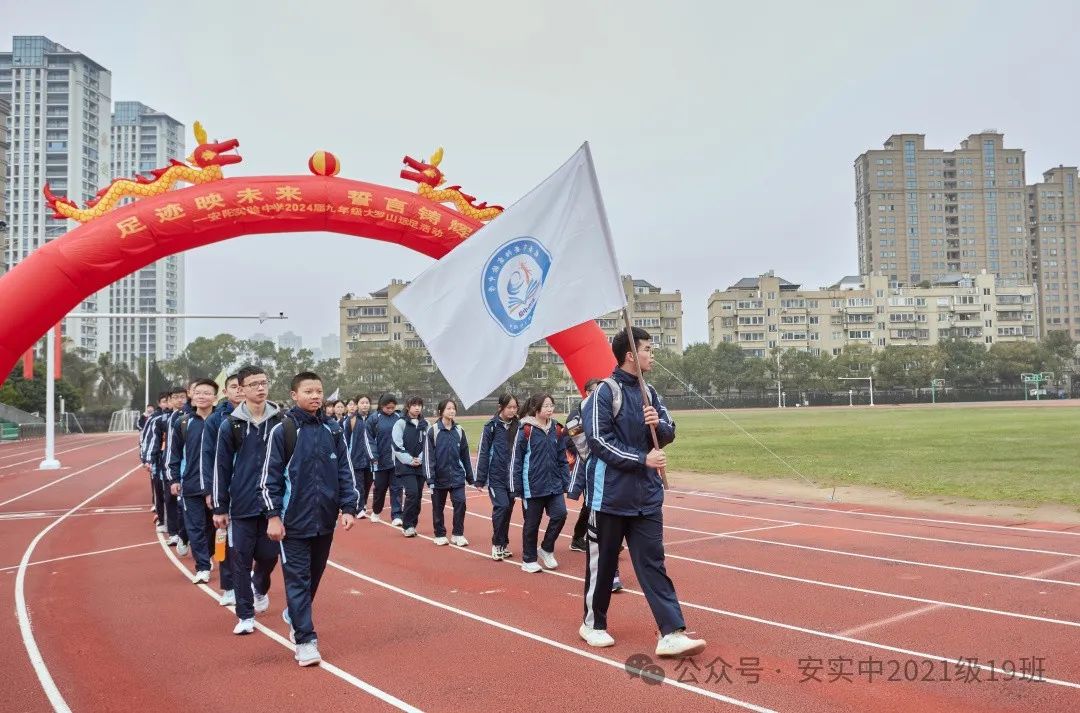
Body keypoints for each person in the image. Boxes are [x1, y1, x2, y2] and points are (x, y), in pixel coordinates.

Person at [578, 327, 705, 658]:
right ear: (631, 354)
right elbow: (598, 441)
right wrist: (642, 459)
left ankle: (671, 632)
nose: (653, 354)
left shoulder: (652, 394)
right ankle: (593, 624)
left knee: (653, 563)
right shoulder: (603, 394)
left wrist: (657, 426)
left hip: (646, 498)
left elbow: (668, 431)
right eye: (648, 349)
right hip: (610, 497)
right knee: (603, 564)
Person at [262, 371, 360, 667]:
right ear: (295, 395)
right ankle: (305, 640)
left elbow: (345, 470)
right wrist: (273, 517)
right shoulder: (284, 431)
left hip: (324, 520)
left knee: (314, 576)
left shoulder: (333, 431)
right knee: (298, 579)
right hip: (293, 523)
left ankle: (294, 614)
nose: (315, 396)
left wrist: (349, 507)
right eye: (308, 391)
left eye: (319, 391)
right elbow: (269, 479)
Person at [213, 365, 283, 635]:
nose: (260, 388)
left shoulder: (281, 420)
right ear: (241, 389)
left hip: (272, 504)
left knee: (268, 556)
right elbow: (221, 467)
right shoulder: (230, 425)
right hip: (240, 504)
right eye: (254, 384)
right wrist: (220, 506)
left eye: (263, 382)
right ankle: (245, 614)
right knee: (239, 559)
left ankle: (260, 586)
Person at [168, 378, 233, 594]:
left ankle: (213, 554)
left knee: (215, 528)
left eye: (207, 393)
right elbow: (174, 453)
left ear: (215, 397)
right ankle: (203, 566)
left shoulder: (223, 421)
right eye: (198, 393)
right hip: (192, 484)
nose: (202, 396)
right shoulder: (183, 423)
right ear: (192, 396)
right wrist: (174, 478)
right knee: (194, 527)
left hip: (217, 485)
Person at [567, 379, 624, 593]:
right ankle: (607, 575)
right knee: (600, 527)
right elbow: (583, 448)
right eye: (594, 390)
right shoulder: (577, 416)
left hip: (617, 477)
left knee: (616, 526)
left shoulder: (611, 409)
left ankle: (612, 572)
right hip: (594, 475)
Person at [511, 393, 570, 573]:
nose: (549, 409)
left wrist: (565, 481)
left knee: (560, 514)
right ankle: (528, 559)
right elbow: (517, 460)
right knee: (532, 524)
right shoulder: (526, 430)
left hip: (554, 484)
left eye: (551, 405)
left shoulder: (557, 429)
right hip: (533, 486)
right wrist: (517, 487)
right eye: (545, 406)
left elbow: (562, 458)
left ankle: (546, 548)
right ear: (536, 409)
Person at [199, 373, 242, 606]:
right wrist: (210, 491)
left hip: (251, 487)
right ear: (226, 392)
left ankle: (248, 579)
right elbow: (208, 458)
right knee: (224, 537)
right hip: (224, 487)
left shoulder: (260, 416)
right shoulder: (216, 420)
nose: (238, 391)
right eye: (233, 387)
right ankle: (229, 586)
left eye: (240, 386)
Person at [423, 398, 474, 547]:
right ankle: (439, 534)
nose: (452, 411)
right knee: (438, 507)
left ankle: (458, 534)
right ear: (441, 411)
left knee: (460, 503)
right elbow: (428, 456)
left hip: (457, 476)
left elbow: (465, 455)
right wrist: (430, 478)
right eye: (448, 408)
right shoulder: (433, 430)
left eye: (453, 408)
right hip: (438, 478)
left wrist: (471, 477)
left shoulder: (459, 430)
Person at [474, 394, 519, 560]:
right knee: (502, 507)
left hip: (512, 477)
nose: (512, 410)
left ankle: (503, 544)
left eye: (515, 407)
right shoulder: (491, 427)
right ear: (501, 407)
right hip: (496, 476)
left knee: (508, 510)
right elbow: (483, 452)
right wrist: (480, 479)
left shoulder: (519, 426)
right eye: (509, 407)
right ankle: (497, 544)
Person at [150, 387, 190, 555]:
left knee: (186, 507)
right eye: (176, 397)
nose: (180, 400)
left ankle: (184, 535)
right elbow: (161, 444)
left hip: (190, 468)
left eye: (183, 397)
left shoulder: (193, 417)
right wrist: (153, 461)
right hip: (171, 466)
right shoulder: (164, 420)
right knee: (171, 501)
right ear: (170, 400)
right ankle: (175, 533)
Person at [392, 396, 428, 538]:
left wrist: (420, 458)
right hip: (405, 466)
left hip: (420, 465)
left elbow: (428, 444)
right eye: (414, 405)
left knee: (418, 496)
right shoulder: (400, 423)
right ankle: (407, 525)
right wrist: (408, 459)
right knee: (412, 493)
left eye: (420, 405)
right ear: (408, 407)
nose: (417, 408)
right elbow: (396, 445)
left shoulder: (425, 424)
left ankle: (413, 524)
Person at [366, 393, 403, 525]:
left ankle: (397, 515)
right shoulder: (373, 419)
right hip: (380, 462)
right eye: (388, 408)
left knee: (397, 488)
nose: (390, 410)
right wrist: (373, 456)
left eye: (393, 408)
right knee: (380, 489)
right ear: (382, 406)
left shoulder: (399, 418)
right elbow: (368, 439)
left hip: (397, 461)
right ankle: (376, 511)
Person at [140, 392, 169, 530]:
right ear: (159, 403)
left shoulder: (179, 416)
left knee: (170, 492)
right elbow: (146, 438)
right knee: (159, 488)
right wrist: (146, 458)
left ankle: (171, 522)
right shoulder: (155, 419)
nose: (166, 404)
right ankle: (161, 517)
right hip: (158, 459)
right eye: (164, 401)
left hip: (172, 460)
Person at [343, 394, 375, 519]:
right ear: (357, 405)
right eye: (362, 402)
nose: (365, 405)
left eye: (367, 402)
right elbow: (345, 439)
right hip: (355, 457)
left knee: (368, 483)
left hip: (371, 458)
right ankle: (359, 508)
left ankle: (364, 503)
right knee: (358, 485)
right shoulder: (351, 420)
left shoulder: (374, 419)